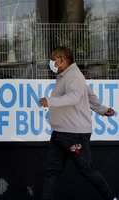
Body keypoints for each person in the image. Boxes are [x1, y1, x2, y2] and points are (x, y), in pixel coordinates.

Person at [39, 47, 117, 200]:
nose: (51, 63)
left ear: (61, 60)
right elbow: (88, 93)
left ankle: (111, 198)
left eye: (53, 59)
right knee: (52, 171)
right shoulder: (65, 75)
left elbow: (74, 97)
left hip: (74, 135)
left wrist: (50, 101)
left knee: (86, 169)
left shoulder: (73, 76)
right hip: (60, 134)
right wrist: (102, 109)